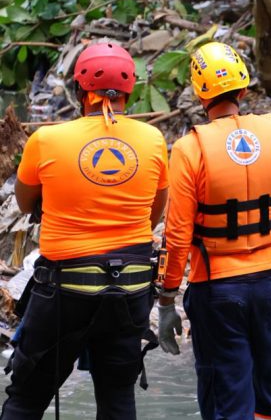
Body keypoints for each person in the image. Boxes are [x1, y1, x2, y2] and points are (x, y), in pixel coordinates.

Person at [1, 42, 169, 419]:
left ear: (80, 91)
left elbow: (26, 204)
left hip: (64, 291)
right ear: (129, 92)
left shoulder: (47, 139)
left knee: (26, 400)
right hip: (130, 288)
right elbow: (153, 215)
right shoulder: (153, 140)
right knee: (117, 399)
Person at [157, 41, 271, 420]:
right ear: (243, 90)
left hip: (217, 291)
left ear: (199, 94)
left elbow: (177, 236)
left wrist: (166, 300)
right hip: (270, 287)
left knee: (228, 402)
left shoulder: (189, 150)